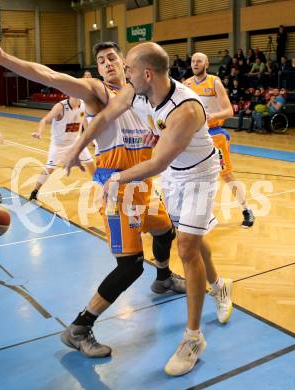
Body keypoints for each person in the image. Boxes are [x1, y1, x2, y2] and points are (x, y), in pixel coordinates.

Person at [0, 33, 186, 357]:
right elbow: (53, 76)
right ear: (97, 70)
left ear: (126, 64)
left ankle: (163, 279)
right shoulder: (99, 94)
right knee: (131, 267)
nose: (107, 64)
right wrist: (5, 60)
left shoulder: (142, 97)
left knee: (166, 230)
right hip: (119, 196)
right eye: (101, 61)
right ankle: (80, 328)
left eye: (112, 58)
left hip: (142, 191)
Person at [64, 42, 233, 376]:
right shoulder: (132, 91)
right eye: (110, 62)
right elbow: (103, 116)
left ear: (147, 73)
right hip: (166, 178)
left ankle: (193, 337)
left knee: (184, 246)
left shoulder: (185, 108)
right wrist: (76, 149)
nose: (121, 70)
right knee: (188, 240)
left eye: (124, 65)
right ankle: (212, 283)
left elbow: (156, 163)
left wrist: (113, 178)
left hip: (196, 174)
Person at [184, 52, 255, 228]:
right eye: (193, 61)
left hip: (215, 134)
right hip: (194, 135)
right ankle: (194, 215)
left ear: (206, 63)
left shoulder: (214, 82)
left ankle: (246, 209)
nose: (195, 63)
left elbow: (229, 111)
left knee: (226, 174)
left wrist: (212, 116)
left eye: (199, 61)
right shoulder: (186, 84)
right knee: (192, 175)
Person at [29, 96, 95, 201]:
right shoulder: (60, 107)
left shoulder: (83, 104)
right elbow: (44, 120)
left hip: (76, 143)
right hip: (59, 145)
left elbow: (85, 122)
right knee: (49, 169)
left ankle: (100, 186)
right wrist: (39, 132)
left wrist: (90, 139)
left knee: (90, 163)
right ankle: (35, 191)